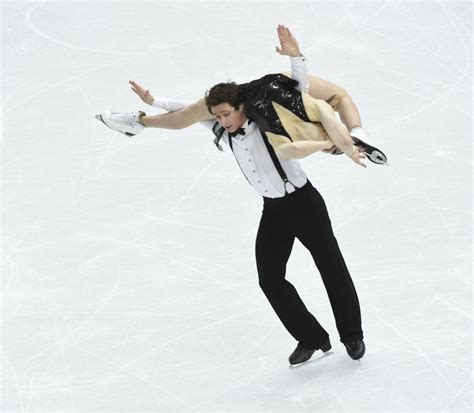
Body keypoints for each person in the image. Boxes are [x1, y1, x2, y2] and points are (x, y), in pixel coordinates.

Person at [96, 26, 367, 365]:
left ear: (242, 107)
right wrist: (154, 103)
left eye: (226, 114)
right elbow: (186, 113)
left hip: (304, 204)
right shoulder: (219, 126)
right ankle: (311, 337)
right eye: (217, 115)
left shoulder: (268, 122)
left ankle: (352, 336)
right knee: (269, 279)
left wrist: (297, 56)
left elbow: (299, 90)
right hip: (274, 211)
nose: (221, 120)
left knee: (331, 268)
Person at [97, 26, 387, 165]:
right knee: (187, 117)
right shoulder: (306, 111)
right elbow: (301, 86)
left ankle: (141, 120)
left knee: (336, 97)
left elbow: (303, 90)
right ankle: (139, 121)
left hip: (267, 91)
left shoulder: (304, 115)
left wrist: (346, 144)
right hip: (270, 88)